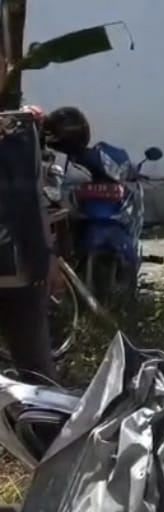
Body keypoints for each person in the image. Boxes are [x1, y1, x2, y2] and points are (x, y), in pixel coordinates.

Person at [0, 107, 62, 383]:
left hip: (24, 272)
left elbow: (36, 201)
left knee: (38, 375)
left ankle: (45, 426)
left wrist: (49, 257)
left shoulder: (21, 130)